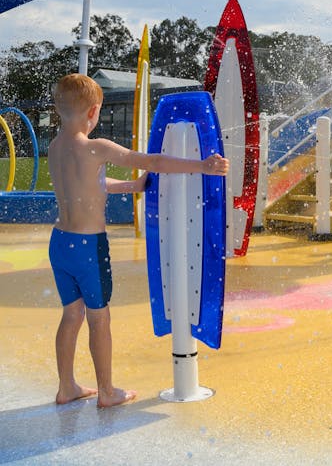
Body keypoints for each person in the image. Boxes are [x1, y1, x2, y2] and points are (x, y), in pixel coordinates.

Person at [47, 74, 228, 408]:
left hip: (60, 243)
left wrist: (131, 187)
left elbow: (88, 184)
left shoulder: (56, 147)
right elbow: (152, 161)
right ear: (94, 111)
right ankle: (107, 391)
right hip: (88, 248)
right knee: (98, 318)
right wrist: (202, 166)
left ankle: (66, 386)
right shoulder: (96, 146)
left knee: (71, 315)